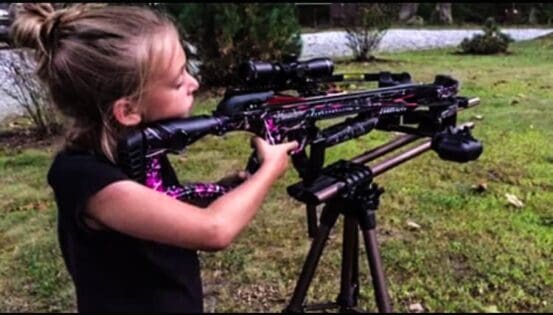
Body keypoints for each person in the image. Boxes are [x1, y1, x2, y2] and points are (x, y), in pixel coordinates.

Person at [10, 3, 298, 313]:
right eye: (178, 81)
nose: (194, 83)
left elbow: (158, 208)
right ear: (128, 110)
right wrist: (270, 167)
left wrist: (221, 190)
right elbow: (214, 229)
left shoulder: (135, 148)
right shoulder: (85, 176)